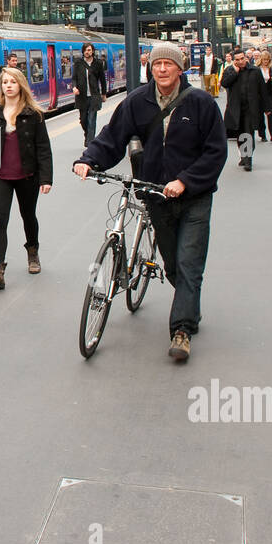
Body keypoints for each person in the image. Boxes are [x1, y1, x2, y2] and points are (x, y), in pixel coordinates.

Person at [74, 43, 227, 363]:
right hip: (156, 194)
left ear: (180, 69)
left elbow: (216, 151)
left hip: (195, 198)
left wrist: (184, 180)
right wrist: (89, 160)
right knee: (174, 265)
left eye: (168, 65)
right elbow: (112, 137)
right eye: (157, 64)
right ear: (151, 68)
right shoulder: (138, 101)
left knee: (188, 263)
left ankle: (182, 331)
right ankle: (190, 305)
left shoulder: (200, 102)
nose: (162, 69)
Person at [0, 67, 53, 289]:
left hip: (27, 175)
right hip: (0, 175)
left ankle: (32, 252)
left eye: (13, 82)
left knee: (28, 216)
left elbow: (43, 148)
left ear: (21, 85)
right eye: (5, 82)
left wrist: (46, 178)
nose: (8, 85)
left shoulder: (33, 114)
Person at [221, 48, 262, 171]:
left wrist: (267, 108)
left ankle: (248, 159)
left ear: (246, 58)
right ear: (234, 61)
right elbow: (224, 83)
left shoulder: (255, 71)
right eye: (237, 60)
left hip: (250, 108)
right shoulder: (230, 70)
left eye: (242, 58)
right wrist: (235, 72)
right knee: (239, 134)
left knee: (248, 133)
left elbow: (262, 91)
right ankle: (244, 156)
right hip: (236, 109)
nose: (240, 61)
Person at [71, 42, 107, 146]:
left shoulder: (98, 63)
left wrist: (103, 94)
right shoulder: (78, 63)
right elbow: (74, 78)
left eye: (89, 50)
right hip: (81, 96)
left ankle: (90, 142)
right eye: (86, 50)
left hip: (94, 96)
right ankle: (88, 135)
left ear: (92, 51)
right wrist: (74, 87)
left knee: (92, 119)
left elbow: (102, 80)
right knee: (83, 120)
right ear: (83, 51)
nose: (88, 52)